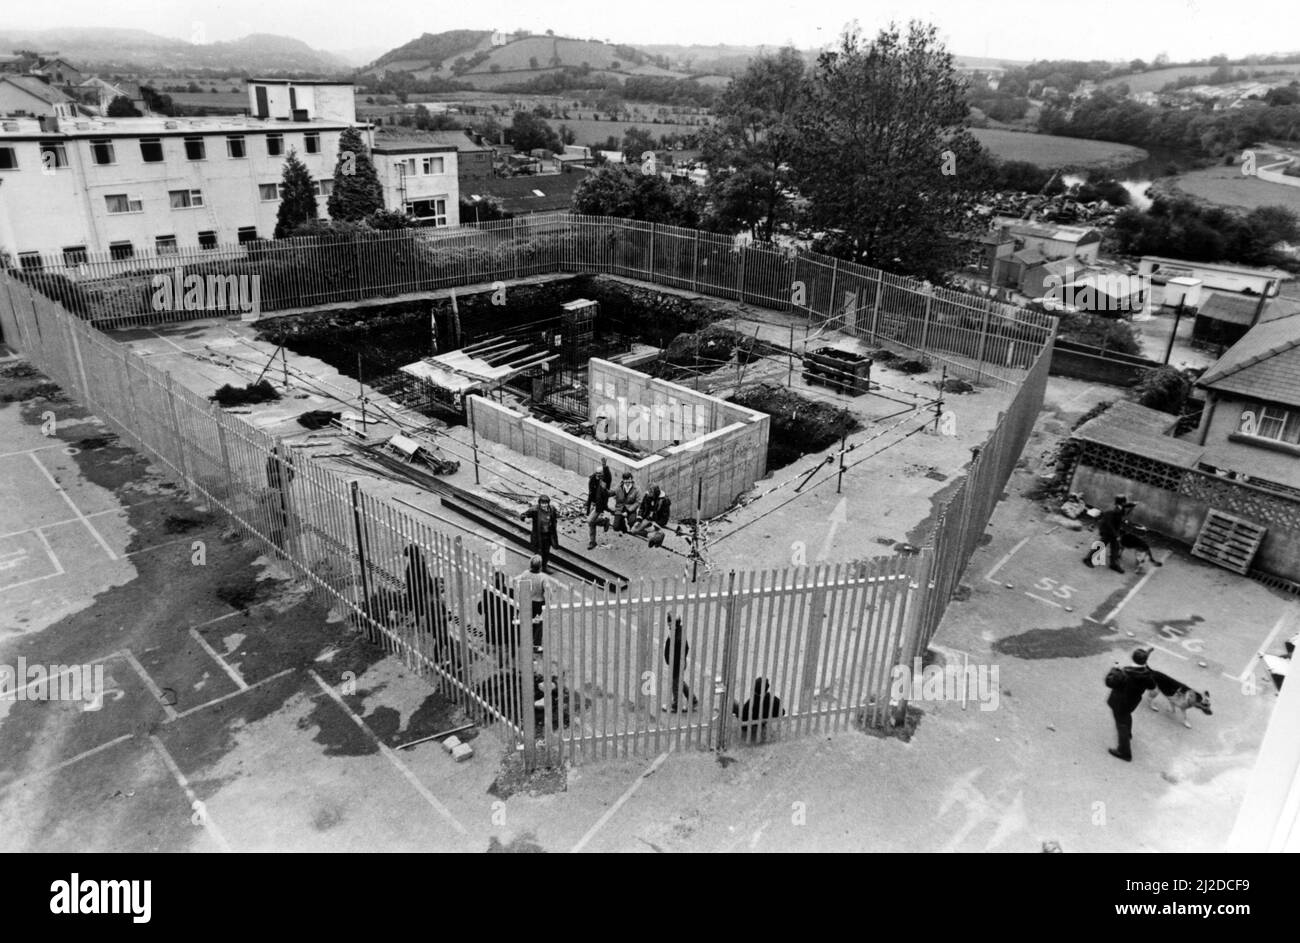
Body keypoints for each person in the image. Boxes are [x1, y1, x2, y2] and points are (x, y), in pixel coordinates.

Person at [403, 544, 453, 668]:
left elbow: (421, 580)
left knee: (443, 639)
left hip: (419, 591)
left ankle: (442, 658)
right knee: (444, 640)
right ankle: (444, 659)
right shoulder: (419, 562)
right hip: (422, 593)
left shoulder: (415, 566)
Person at [1106, 647, 1157, 762]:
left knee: (1121, 723)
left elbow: (1109, 682)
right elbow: (1152, 686)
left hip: (1119, 702)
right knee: (1127, 716)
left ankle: (1124, 752)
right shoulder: (1147, 674)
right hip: (1133, 702)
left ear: (1133, 658)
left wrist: (1114, 670)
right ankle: (1128, 734)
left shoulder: (1124, 673)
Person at [479, 571, 519, 665]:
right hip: (507, 622)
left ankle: (501, 662)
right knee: (511, 638)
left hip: (493, 622)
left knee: (499, 644)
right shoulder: (510, 592)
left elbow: (482, 608)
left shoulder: (487, 592)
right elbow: (515, 608)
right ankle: (512, 653)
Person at [1086, 495, 1135, 574]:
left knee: (1115, 547)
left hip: (1113, 530)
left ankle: (1113, 564)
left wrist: (1132, 504)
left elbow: (1125, 506)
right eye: (1125, 502)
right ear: (1122, 502)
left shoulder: (1119, 507)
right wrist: (1116, 534)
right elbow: (1109, 524)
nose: (1125, 504)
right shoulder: (1113, 510)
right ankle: (1088, 559)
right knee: (1101, 544)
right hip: (1107, 530)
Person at [734, 678, 783, 743]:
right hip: (763, 721)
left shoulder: (751, 701)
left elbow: (743, 716)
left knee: (734, 703)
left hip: (750, 722)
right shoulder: (772, 699)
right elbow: (782, 712)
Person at [663, 614, 695, 712]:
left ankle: (676, 705)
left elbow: (684, 649)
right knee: (679, 682)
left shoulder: (677, 637)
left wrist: (675, 663)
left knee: (675, 684)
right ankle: (693, 700)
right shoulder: (677, 631)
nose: (668, 626)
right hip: (678, 663)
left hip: (676, 664)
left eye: (669, 623)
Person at [518, 555, 549, 652]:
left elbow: (521, 588)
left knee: (527, 621)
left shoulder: (525, 574)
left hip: (527, 601)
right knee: (538, 623)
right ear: (540, 566)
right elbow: (548, 592)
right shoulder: (543, 577)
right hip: (538, 603)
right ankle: (536, 645)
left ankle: (524, 640)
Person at [520, 495, 559, 573]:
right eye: (542, 503)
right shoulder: (534, 510)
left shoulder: (552, 509)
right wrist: (525, 519)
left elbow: (555, 518)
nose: (544, 505)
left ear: (548, 503)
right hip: (538, 536)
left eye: (546, 503)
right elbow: (522, 515)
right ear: (539, 503)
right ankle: (535, 567)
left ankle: (544, 567)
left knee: (546, 552)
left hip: (548, 535)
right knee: (538, 553)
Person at [585, 465, 612, 550]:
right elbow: (590, 492)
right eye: (597, 473)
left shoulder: (605, 481)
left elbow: (608, 476)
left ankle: (592, 542)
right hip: (594, 502)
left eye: (600, 474)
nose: (598, 475)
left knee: (590, 521)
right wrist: (588, 504)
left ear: (603, 474)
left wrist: (605, 466)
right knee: (591, 522)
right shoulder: (593, 479)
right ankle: (603, 522)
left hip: (600, 504)